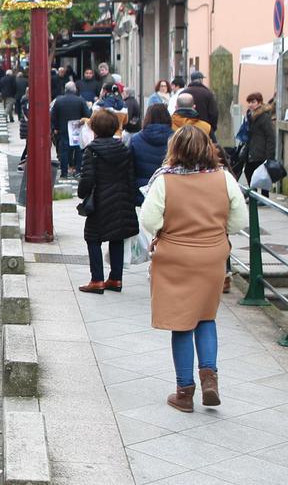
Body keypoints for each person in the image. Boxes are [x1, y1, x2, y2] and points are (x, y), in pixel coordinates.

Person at [140, 125, 248, 413]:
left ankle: (184, 391)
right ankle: (209, 377)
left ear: (174, 149)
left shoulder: (165, 180)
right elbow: (238, 222)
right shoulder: (223, 178)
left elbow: (150, 220)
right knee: (206, 316)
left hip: (175, 256)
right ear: (207, 148)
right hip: (212, 255)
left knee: (181, 322)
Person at [76, 109, 139, 294]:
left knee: (93, 238)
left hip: (100, 201)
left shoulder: (92, 151)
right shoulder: (124, 149)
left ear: (94, 127)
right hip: (121, 200)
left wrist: (82, 193)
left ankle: (97, 280)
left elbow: (87, 179)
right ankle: (115, 278)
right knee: (117, 237)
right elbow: (130, 176)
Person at [130, 103, 173, 205]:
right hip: (169, 191)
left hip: (142, 192)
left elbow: (130, 169)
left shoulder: (136, 139)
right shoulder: (177, 138)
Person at [50, 82, 91, 179]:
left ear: (65, 89)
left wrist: (55, 128)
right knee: (78, 150)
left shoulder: (59, 101)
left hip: (63, 129)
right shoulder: (80, 100)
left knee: (63, 151)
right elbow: (87, 114)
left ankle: (64, 173)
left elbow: (53, 116)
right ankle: (78, 171)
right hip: (77, 128)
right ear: (75, 90)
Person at [243, 91, 276, 197]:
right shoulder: (251, 115)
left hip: (261, 151)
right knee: (249, 172)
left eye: (253, 102)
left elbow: (270, 136)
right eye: (249, 102)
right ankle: (255, 195)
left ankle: (263, 196)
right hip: (253, 149)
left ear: (260, 102)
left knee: (261, 174)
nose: (250, 104)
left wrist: (269, 155)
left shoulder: (264, 117)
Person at [183, 71, 219, 138]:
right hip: (204, 130)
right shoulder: (208, 93)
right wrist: (212, 128)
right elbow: (214, 113)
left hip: (186, 129)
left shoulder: (184, 93)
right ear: (201, 80)